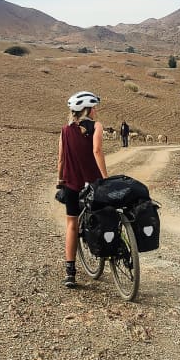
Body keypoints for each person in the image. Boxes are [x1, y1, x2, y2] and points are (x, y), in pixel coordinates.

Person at [56, 91, 109, 288]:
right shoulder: (96, 126)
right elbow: (97, 151)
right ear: (87, 109)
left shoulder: (64, 130)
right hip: (93, 183)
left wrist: (60, 179)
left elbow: (61, 159)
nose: (95, 111)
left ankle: (70, 272)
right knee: (101, 217)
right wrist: (105, 178)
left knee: (72, 224)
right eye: (94, 107)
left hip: (71, 184)